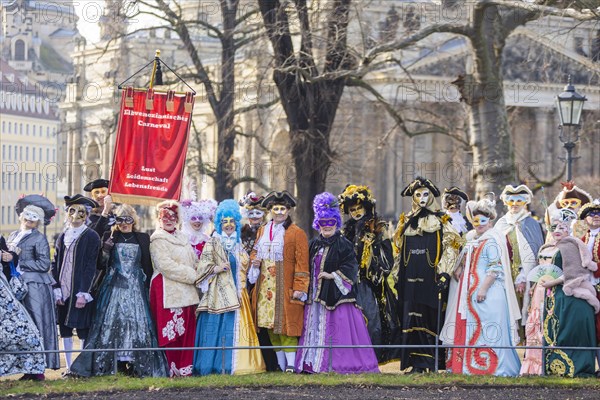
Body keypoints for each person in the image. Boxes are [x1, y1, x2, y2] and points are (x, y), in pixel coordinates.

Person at [70, 204, 168, 377]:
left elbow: (147, 265)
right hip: (114, 286)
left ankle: (135, 361)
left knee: (136, 323)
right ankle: (116, 362)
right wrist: (106, 249)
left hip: (136, 287)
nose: (124, 224)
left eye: (127, 219)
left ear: (134, 220)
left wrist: (149, 288)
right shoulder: (110, 236)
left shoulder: (143, 238)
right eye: (120, 219)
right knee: (113, 322)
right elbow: (100, 264)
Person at [295, 192, 379, 374]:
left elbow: (351, 266)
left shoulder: (344, 244)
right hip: (315, 296)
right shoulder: (313, 244)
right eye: (323, 223)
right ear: (318, 223)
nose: (326, 227)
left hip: (337, 296)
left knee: (338, 331)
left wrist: (333, 275)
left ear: (336, 223)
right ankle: (311, 364)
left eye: (330, 222)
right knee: (313, 327)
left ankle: (336, 365)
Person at [442, 195, 521, 376]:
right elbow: (464, 259)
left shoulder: (493, 239)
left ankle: (492, 367)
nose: (479, 224)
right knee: (473, 327)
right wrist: (460, 268)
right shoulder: (472, 238)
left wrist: (483, 289)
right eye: (475, 220)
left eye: (482, 220)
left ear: (490, 221)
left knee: (488, 328)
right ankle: (470, 366)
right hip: (470, 293)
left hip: (488, 293)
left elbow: (495, 268)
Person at [391, 177, 462, 373]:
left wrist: (445, 273)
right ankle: (415, 364)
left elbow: (452, 246)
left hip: (430, 279)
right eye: (418, 195)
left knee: (429, 318)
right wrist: (396, 276)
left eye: (425, 194)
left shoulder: (440, 219)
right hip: (409, 279)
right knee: (410, 318)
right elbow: (398, 250)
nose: (422, 198)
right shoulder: (406, 221)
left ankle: (429, 363)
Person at [193, 199, 265, 375]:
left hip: (239, 296)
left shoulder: (239, 244)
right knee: (217, 330)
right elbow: (202, 267)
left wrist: (254, 266)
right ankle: (217, 365)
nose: (228, 225)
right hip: (218, 296)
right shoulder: (213, 242)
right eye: (224, 222)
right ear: (219, 223)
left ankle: (240, 365)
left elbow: (246, 272)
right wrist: (216, 268)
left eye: (232, 221)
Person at [249, 191, 309, 373]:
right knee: (270, 327)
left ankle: (291, 364)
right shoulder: (262, 230)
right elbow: (254, 252)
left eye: (283, 208)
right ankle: (280, 365)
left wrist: (300, 286)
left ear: (289, 210)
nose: (280, 212)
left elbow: (302, 263)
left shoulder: (297, 233)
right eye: (276, 208)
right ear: (270, 210)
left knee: (287, 325)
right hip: (265, 287)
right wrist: (255, 262)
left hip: (285, 286)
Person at [338, 184, 397, 363]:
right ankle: (352, 358)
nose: (356, 212)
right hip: (348, 283)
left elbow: (388, 255)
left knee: (372, 321)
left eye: (359, 208)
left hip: (369, 283)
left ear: (366, 207)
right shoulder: (345, 231)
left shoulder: (377, 227)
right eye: (352, 209)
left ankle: (373, 358)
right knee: (349, 321)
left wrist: (375, 261)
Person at [540, 208, 599, 377]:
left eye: (562, 228)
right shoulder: (549, 247)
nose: (557, 231)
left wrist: (552, 282)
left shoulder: (569, 246)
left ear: (568, 231)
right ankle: (554, 367)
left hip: (569, 294)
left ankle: (572, 367)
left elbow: (573, 273)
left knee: (568, 330)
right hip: (553, 294)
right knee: (555, 331)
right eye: (554, 228)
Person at [7, 203, 60, 378]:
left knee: (37, 324)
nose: (29, 220)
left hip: (35, 287)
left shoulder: (39, 238)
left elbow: (44, 264)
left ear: (38, 221)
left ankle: (38, 369)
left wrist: (19, 262)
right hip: (16, 286)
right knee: (22, 327)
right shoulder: (13, 235)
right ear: (21, 216)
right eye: (27, 216)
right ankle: (28, 367)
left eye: (34, 217)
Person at [51, 194, 102, 375]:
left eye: (80, 212)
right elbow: (55, 263)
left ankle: (82, 367)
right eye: (71, 211)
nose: (75, 216)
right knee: (64, 329)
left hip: (79, 290)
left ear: (86, 215)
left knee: (82, 329)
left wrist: (84, 292)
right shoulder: (62, 236)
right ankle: (68, 366)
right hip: (63, 290)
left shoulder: (91, 236)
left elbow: (91, 266)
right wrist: (56, 288)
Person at [149, 200, 200, 377]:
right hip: (167, 290)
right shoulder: (157, 239)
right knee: (172, 330)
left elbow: (193, 260)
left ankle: (186, 367)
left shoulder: (183, 238)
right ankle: (172, 368)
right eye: (165, 217)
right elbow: (165, 265)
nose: (169, 220)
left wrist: (201, 269)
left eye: (172, 217)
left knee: (187, 329)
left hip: (186, 290)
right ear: (159, 218)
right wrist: (192, 275)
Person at [495, 184, 544, 337]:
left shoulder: (532, 224)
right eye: (511, 201)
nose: (515, 204)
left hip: (525, 275)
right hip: (504, 273)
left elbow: (535, 252)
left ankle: (527, 340)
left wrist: (523, 275)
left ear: (525, 202)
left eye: (519, 201)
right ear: (506, 202)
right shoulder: (501, 224)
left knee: (526, 307)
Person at [238, 191, 279, 371]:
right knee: (250, 321)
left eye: (258, 213)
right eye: (251, 213)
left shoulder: (272, 232)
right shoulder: (239, 233)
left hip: (267, 282)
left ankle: (272, 362)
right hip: (243, 283)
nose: (254, 217)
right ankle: (251, 361)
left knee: (265, 322)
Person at [0, 235, 45, 379]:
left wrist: (10, 256)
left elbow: (7, 255)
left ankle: (33, 369)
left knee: (22, 329)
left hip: (3, 293)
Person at [578, 199, 600, 374]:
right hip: (585, 287)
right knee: (589, 327)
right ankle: (588, 365)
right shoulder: (581, 239)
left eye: (599, 214)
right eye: (591, 214)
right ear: (585, 219)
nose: (596, 217)